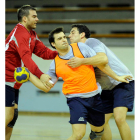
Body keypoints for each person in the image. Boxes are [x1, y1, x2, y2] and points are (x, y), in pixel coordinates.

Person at [24, 27, 132, 140]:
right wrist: (29, 76)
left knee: (98, 132)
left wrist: (117, 77)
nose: (64, 40)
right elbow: (46, 87)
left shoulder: (81, 47)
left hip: (94, 98)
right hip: (75, 99)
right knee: (78, 134)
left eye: (64, 37)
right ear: (53, 44)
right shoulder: (55, 64)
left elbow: (101, 62)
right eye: (59, 39)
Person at [68, 24, 134, 140]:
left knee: (119, 118)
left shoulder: (91, 42)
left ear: (82, 35)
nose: (69, 36)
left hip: (122, 82)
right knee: (101, 121)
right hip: (107, 89)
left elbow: (103, 59)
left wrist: (81, 61)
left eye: (73, 32)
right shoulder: (78, 52)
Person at [5, 5, 58, 140]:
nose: (37, 19)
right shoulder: (20, 33)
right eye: (34, 16)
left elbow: (43, 52)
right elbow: (26, 59)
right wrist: (41, 75)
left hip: (14, 82)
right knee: (7, 116)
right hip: (5, 79)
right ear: (24, 18)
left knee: (12, 118)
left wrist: (62, 53)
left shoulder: (31, 34)